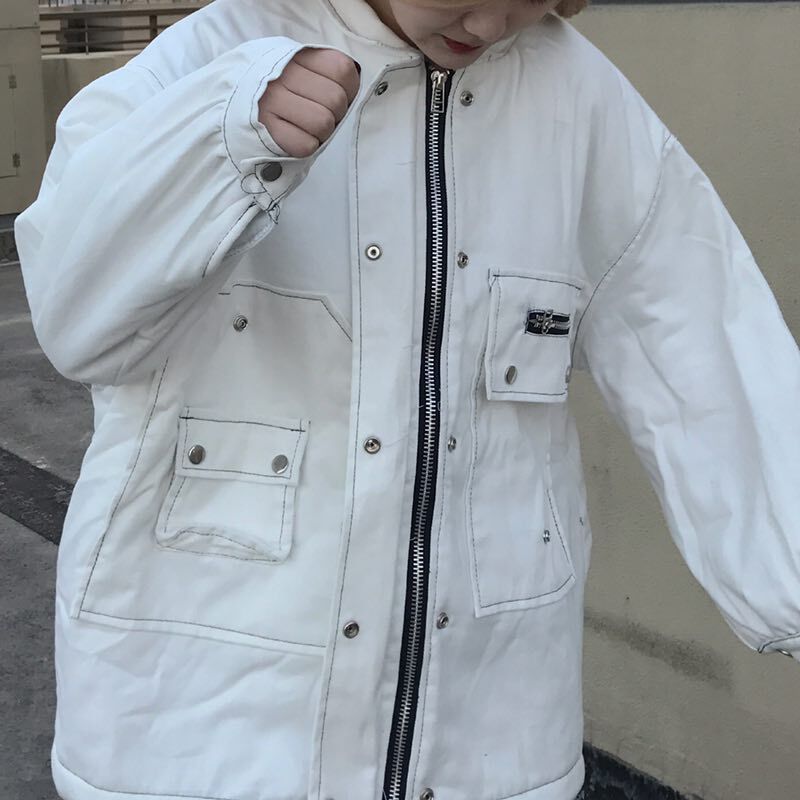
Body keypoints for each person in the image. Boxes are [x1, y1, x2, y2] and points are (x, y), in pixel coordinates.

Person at [14, 0, 800, 799]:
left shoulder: (581, 103)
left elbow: (701, 336)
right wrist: (222, 141)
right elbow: (78, 322)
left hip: (491, 738)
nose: (490, 26)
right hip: (196, 734)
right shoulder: (210, 58)